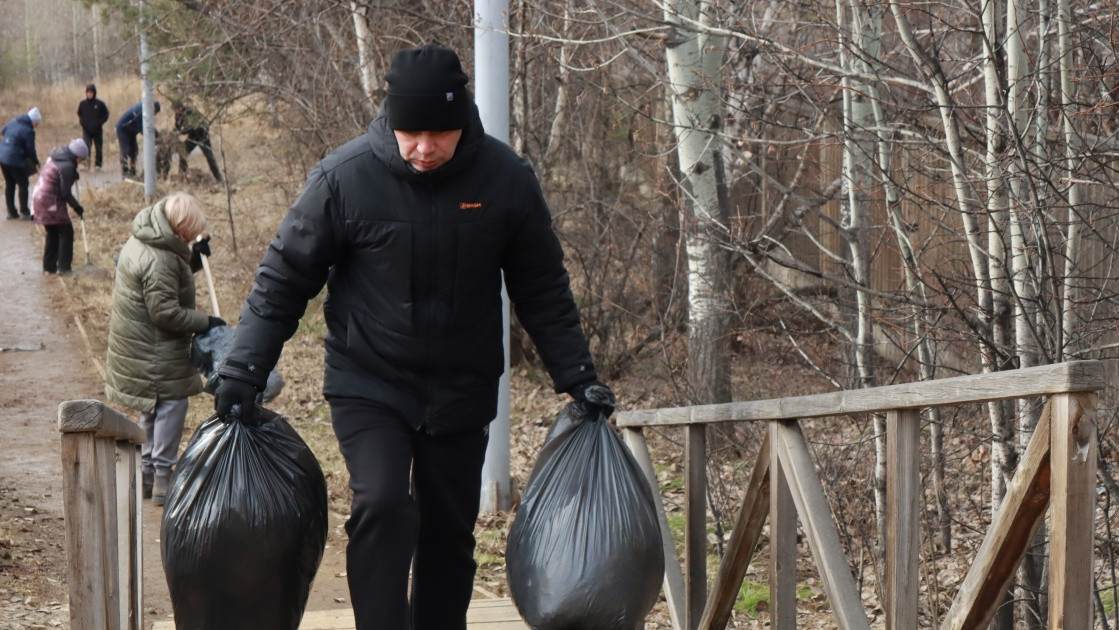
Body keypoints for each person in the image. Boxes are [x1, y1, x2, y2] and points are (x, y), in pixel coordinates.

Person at [211, 44, 615, 629]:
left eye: (440, 132)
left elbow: (542, 288)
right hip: (369, 378)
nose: (425, 147)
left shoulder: (505, 181)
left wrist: (578, 376)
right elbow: (283, 279)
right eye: (411, 132)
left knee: (448, 528)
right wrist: (244, 369)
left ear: (463, 121)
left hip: (461, 384)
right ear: (391, 121)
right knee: (381, 505)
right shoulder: (343, 179)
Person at [104, 192, 224, 506]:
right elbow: (165, 312)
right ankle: (162, 478)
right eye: (188, 234)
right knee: (171, 407)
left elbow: (169, 280)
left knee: (151, 407)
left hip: (139, 345)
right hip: (154, 349)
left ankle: (145, 475)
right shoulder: (159, 259)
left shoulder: (150, 238)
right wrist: (206, 321)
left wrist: (194, 258)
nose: (189, 238)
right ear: (177, 227)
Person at [31, 139, 88, 275]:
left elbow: (59, 178)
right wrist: (77, 207)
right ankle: (64, 268)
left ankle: (49, 267)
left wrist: (73, 174)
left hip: (39, 198)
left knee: (52, 232)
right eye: (82, 159)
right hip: (50, 201)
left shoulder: (57, 157)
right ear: (77, 157)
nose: (81, 162)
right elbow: (65, 193)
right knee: (66, 232)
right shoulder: (67, 166)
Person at [0, 107, 41, 220]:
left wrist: (11, 140)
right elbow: (30, 150)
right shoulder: (29, 131)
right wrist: (36, 163)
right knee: (23, 184)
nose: (36, 126)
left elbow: (2, 131)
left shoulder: (14, 121)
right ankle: (24, 212)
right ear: (34, 121)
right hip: (15, 159)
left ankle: (11, 212)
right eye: (36, 123)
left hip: (2, 157)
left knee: (10, 183)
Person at [172, 102, 222, 182]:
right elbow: (177, 126)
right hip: (193, 135)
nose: (175, 112)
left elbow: (191, 128)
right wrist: (173, 134)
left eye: (175, 110)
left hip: (202, 135)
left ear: (180, 108)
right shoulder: (178, 115)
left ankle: (218, 178)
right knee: (183, 152)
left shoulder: (190, 112)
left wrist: (181, 132)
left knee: (209, 156)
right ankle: (182, 175)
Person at [115, 101, 160, 179]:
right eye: (154, 112)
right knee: (125, 149)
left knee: (134, 150)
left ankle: (132, 170)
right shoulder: (141, 111)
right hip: (123, 129)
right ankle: (125, 172)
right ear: (152, 109)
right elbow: (143, 128)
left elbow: (149, 126)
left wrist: (158, 135)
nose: (154, 115)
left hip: (131, 131)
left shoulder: (146, 110)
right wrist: (153, 139)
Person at [76, 83, 110, 171]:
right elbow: (79, 113)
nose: (89, 94)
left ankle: (98, 165)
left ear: (94, 93)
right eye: (88, 92)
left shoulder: (100, 104)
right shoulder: (83, 104)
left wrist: (100, 123)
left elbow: (106, 114)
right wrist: (82, 122)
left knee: (98, 147)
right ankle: (86, 164)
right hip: (86, 130)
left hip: (97, 130)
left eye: (91, 92)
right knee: (86, 147)